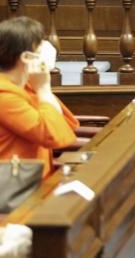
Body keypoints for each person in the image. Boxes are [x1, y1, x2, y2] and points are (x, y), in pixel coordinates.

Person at [0, 17, 78, 177]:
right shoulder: (4, 96)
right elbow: (52, 135)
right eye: (39, 46)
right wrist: (43, 89)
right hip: (14, 189)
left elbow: (64, 125)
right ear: (25, 57)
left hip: (31, 180)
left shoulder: (25, 85)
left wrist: (42, 88)